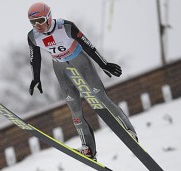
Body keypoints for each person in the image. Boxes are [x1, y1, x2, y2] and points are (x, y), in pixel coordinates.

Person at [27, 2, 138, 160]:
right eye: (33, 22)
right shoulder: (33, 36)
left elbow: (88, 45)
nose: (37, 25)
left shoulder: (66, 27)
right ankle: (88, 147)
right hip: (60, 68)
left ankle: (128, 130)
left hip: (80, 61)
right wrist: (35, 78)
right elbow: (35, 58)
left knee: (100, 97)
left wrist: (103, 64)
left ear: (49, 17)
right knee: (74, 108)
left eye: (40, 20)